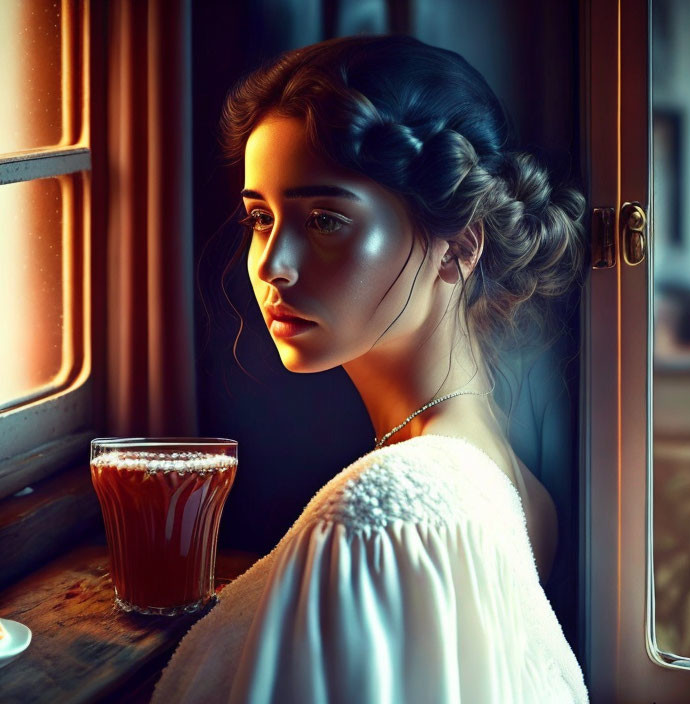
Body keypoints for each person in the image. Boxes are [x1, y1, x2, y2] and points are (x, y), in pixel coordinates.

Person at [152, 34, 589, 703]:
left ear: (459, 248)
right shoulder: (506, 476)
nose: (272, 264)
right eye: (259, 218)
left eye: (325, 219)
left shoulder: (380, 520)